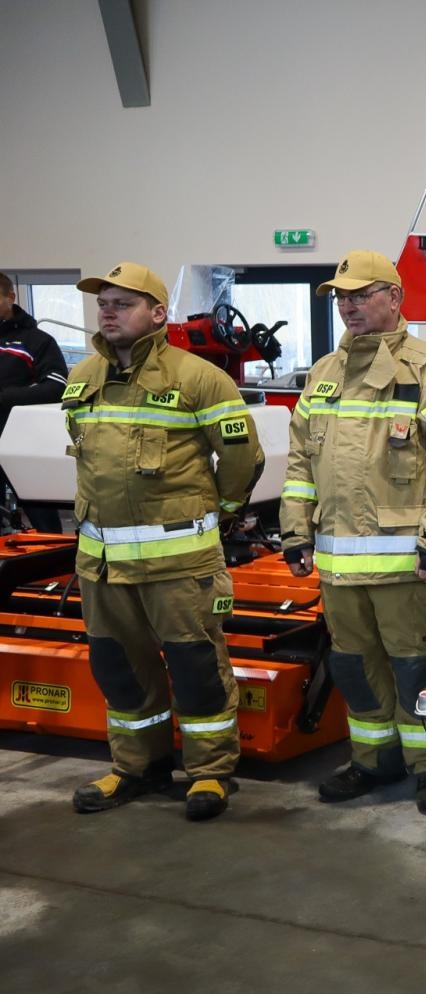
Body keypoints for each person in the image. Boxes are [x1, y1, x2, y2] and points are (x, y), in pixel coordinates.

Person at [281, 250, 426, 816]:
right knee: (354, 667)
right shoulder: (325, 373)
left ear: (394, 298)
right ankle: (374, 761)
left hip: (410, 567)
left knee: (418, 669)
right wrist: (295, 531)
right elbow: (301, 459)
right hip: (339, 567)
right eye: (340, 297)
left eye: (360, 294)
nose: (348, 305)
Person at [65, 261, 264, 821]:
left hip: (179, 564)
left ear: (157, 314)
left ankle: (210, 773)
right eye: (103, 302)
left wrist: (221, 512)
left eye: (122, 302)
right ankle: (136, 767)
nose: (108, 311)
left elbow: (242, 456)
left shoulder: (198, 377)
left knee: (196, 667)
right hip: (101, 566)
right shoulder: (83, 379)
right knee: (121, 670)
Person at [0, 271, 69, 427]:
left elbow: (57, 387)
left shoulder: (38, 341)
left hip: (12, 434)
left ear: (10, 298)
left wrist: (4, 397)